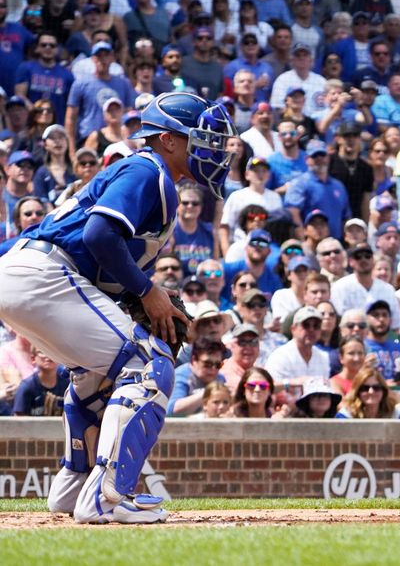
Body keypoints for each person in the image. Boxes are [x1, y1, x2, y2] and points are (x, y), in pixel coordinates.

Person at [0, 92, 235, 523]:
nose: (212, 148)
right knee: (148, 362)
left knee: (97, 373)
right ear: (167, 140)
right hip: (45, 274)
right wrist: (147, 291)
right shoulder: (149, 170)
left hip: (30, 274)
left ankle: (73, 489)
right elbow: (99, 236)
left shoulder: (150, 174)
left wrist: (134, 296)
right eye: (200, 138)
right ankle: (108, 496)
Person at [265, 306, 329, 385]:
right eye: (306, 325)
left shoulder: (323, 357)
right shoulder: (280, 356)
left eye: (316, 326)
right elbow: (270, 387)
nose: (311, 330)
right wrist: (292, 383)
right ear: (293, 329)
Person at [12, 347, 69, 416]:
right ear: (33, 358)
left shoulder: (67, 385)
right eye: (42, 352)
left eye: (52, 352)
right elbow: (19, 421)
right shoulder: (27, 387)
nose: (48, 356)